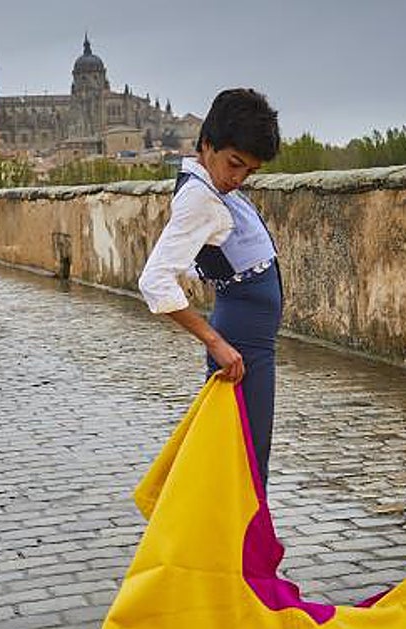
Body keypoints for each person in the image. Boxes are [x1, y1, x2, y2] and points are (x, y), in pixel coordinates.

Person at [137, 88, 282, 484]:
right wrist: (214, 341)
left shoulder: (210, 185)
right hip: (240, 344)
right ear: (207, 144)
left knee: (243, 455)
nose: (238, 179)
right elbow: (154, 280)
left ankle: (237, 545)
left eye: (249, 171)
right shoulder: (199, 198)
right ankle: (238, 546)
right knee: (242, 461)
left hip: (250, 339)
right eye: (234, 164)